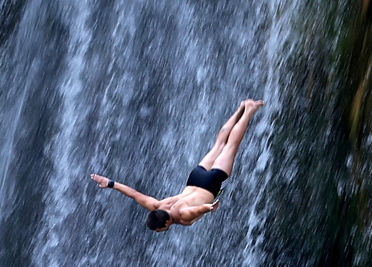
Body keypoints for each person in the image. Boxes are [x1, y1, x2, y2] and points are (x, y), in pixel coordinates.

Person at [92, 99, 264, 232]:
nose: (162, 231)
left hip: (212, 183)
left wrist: (209, 208)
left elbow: (195, 211)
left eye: (161, 229)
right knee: (218, 144)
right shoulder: (157, 206)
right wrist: (111, 183)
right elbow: (136, 195)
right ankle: (240, 108)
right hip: (195, 177)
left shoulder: (181, 217)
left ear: (167, 222)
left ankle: (248, 110)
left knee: (230, 146)